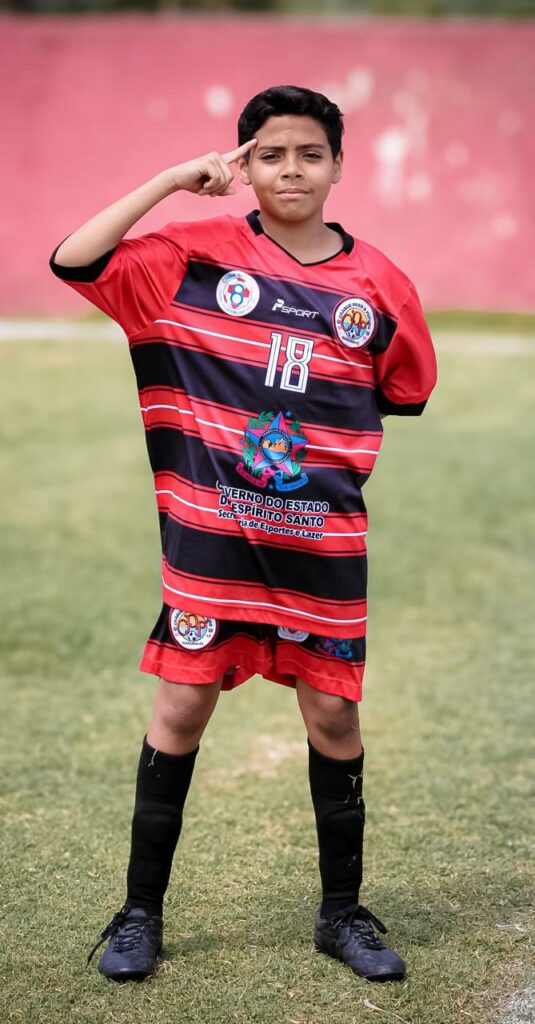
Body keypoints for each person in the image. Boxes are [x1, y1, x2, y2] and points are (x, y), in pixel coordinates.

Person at [50, 84, 437, 985]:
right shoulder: (187, 258)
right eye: (269, 154)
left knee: (334, 713)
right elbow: (75, 258)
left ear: (338, 165)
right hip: (211, 540)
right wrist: (166, 183)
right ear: (242, 166)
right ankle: (139, 913)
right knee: (181, 709)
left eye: (308, 153)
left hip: (318, 547)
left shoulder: (380, 286)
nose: (290, 169)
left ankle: (340, 914)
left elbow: (403, 390)